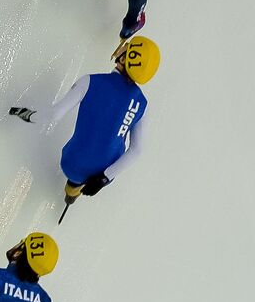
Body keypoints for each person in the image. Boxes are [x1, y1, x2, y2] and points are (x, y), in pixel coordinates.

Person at [10, 36, 160, 210]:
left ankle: (72, 189)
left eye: (126, 47)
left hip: (72, 164)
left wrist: (25, 114)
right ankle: (72, 194)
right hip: (104, 172)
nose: (122, 46)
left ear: (126, 58)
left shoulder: (90, 81)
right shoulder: (143, 104)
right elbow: (136, 150)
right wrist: (104, 178)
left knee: (77, 167)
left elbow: (53, 115)